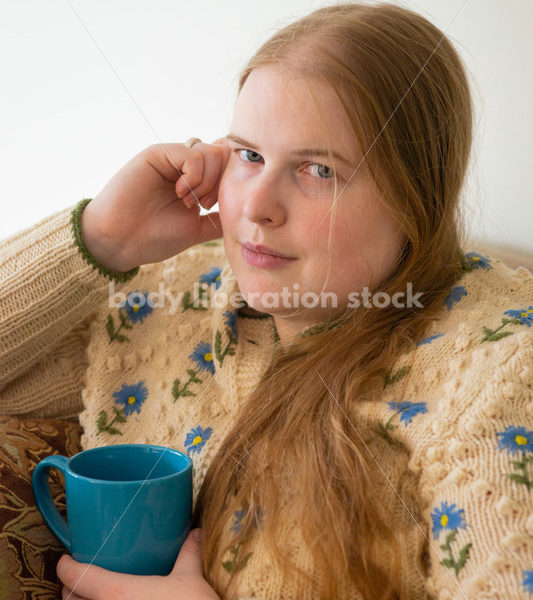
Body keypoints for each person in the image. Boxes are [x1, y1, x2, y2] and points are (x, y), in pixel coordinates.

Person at [1, 2, 532, 599]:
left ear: (416, 200)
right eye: (249, 156)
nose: (256, 207)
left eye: (318, 170)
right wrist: (101, 239)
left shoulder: (499, 370)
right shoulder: (176, 306)